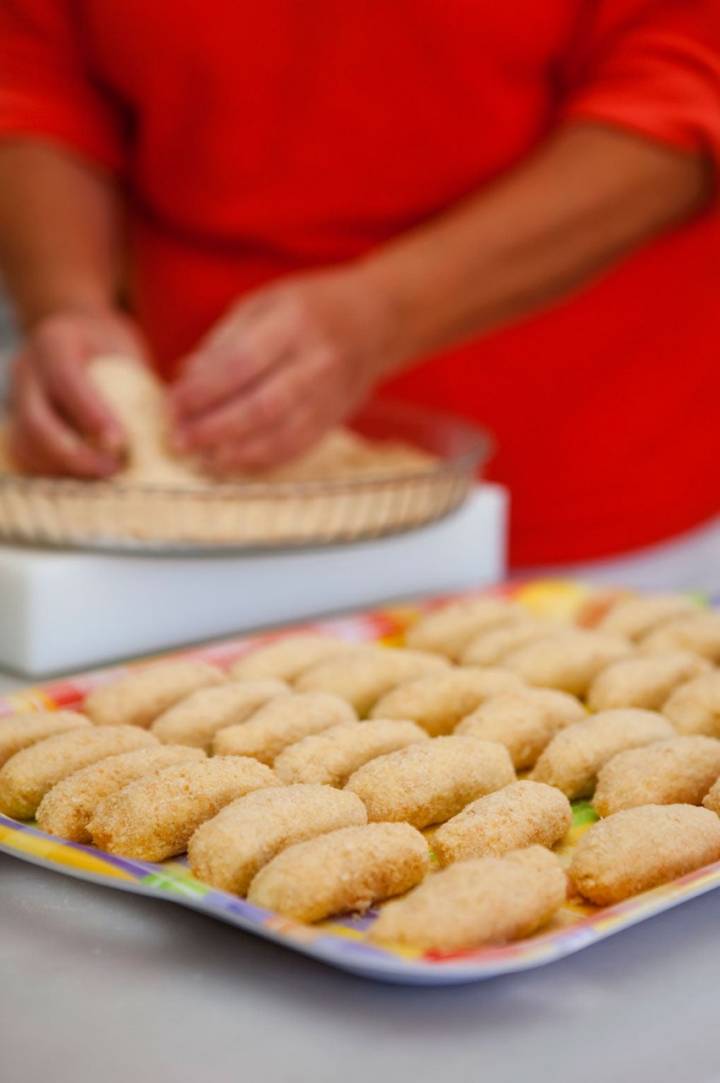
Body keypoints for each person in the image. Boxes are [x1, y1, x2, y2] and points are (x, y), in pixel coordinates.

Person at [0, 1, 719, 579]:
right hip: (174, 520)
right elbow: (38, 69)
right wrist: (69, 299)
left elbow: (684, 81)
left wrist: (389, 307)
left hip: (588, 483)